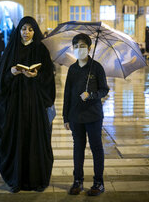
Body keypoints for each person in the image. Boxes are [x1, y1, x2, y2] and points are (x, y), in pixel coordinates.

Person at [0, 16, 56, 193]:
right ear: (18, 30)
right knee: (18, 139)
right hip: (16, 105)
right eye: (23, 29)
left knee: (35, 139)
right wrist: (12, 72)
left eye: (30, 29)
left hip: (35, 104)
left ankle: (37, 180)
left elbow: (49, 79)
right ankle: (16, 180)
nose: (26, 32)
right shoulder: (11, 50)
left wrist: (37, 76)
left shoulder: (41, 50)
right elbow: (1, 81)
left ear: (34, 31)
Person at [63, 33, 109, 196]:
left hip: (93, 115)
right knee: (78, 148)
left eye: (82, 46)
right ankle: (78, 181)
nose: (79, 49)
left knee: (96, 148)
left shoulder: (96, 67)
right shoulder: (72, 69)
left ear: (89, 49)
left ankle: (98, 182)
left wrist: (91, 95)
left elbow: (104, 89)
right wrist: (65, 117)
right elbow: (67, 93)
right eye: (76, 46)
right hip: (75, 116)